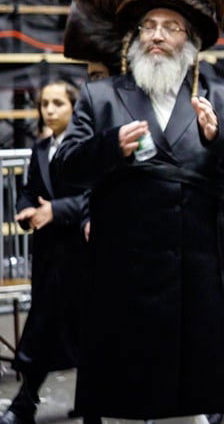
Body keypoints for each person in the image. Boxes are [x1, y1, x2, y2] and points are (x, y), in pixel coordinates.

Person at [53, 0, 224, 422]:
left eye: (170, 26)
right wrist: (110, 146)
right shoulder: (101, 96)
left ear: (190, 39)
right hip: (121, 277)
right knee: (122, 403)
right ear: (134, 36)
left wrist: (221, 136)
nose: (156, 35)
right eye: (149, 24)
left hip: (194, 276)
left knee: (186, 404)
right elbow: (65, 168)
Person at [0, 81, 89, 424]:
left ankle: (35, 403)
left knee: (81, 329)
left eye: (57, 103)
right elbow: (30, 191)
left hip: (82, 253)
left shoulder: (87, 147)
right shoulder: (40, 148)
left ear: (73, 107)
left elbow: (95, 195)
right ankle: (26, 403)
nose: (49, 110)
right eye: (44, 104)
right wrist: (25, 212)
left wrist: (58, 209)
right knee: (45, 327)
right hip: (50, 254)